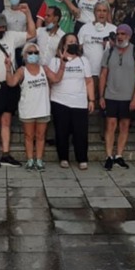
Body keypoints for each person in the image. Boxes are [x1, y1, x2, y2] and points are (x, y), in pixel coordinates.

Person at [0, 10, 36, 167]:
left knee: (6, 120)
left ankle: (5, 153)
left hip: (9, 85)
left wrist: (28, 14)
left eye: (4, 27)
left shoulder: (11, 36)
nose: (2, 30)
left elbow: (31, 33)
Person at [7, 43, 64, 171]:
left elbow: (56, 79)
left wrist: (62, 64)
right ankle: (30, 160)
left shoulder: (44, 68)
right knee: (28, 136)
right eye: (30, 53)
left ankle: (39, 160)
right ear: (24, 55)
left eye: (35, 53)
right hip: (28, 109)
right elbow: (11, 83)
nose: (33, 55)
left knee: (40, 136)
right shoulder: (22, 70)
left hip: (42, 108)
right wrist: (7, 68)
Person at [99, 24, 135, 170]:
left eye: (123, 34)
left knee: (124, 125)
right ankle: (108, 156)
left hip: (128, 96)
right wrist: (101, 96)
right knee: (110, 125)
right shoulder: (109, 51)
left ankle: (119, 155)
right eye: (118, 33)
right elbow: (103, 74)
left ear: (129, 36)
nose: (120, 36)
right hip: (111, 95)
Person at [47, 34, 94, 170]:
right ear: (63, 44)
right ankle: (63, 157)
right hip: (59, 100)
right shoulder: (55, 61)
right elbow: (52, 81)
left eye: (75, 41)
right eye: (70, 42)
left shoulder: (83, 61)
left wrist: (91, 99)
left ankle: (82, 158)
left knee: (81, 132)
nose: (73, 43)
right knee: (62, 131)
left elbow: (89, 81)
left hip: (79, 102)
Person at [77, 1, 117, 84]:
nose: (101, 13)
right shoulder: (85, 28)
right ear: (94, 12)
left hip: (107, 73)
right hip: (88, 72)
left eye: (104, 11)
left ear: (108, 13)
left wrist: (112, 45)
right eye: (99, 10)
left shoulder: (114, 29)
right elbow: (78, 49)